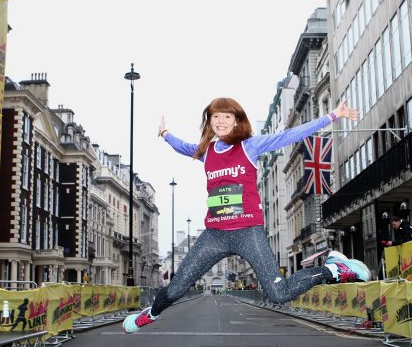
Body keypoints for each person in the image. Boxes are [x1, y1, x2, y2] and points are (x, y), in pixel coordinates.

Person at [123, 98, 372, 333]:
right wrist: (165, 134)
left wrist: (332, 115)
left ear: (236, 120)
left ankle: (331, 270)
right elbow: (184, 147)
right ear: (209, 122)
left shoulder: (249, 145)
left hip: (248, 232)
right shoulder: (207, 151)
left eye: (226, 116)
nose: (220, 121)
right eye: (215, 117)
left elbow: (288, 136)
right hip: (215, 235)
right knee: (176, 288)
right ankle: (150, 314)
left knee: (279, 293)